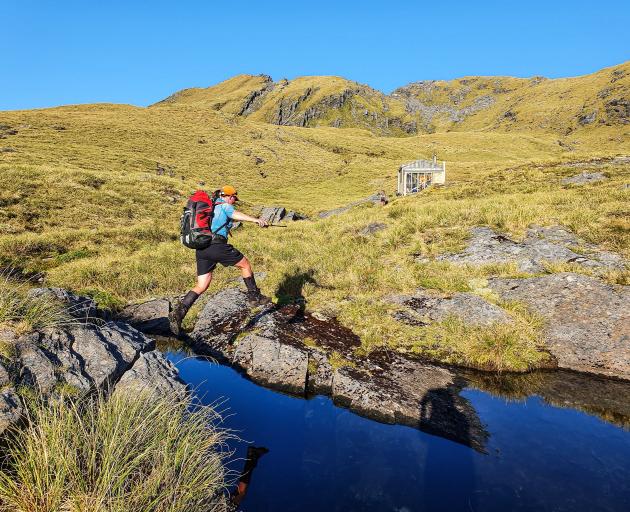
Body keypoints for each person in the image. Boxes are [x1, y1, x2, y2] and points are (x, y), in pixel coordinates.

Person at [169, 185, 269, 335]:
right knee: (245, 265)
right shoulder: (224, 206)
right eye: (234, 198)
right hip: (217, 246)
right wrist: (256, 220)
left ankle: (178, 313)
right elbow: (236, 214)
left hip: (202, 249)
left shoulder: (209, 209)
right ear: (228, 196)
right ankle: (254, 296)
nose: (234, 201)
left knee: (202, 284)